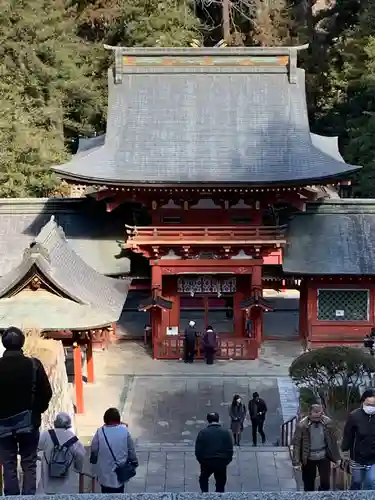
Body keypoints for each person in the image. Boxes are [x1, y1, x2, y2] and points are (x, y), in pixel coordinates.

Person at [0, 326, 52, 495]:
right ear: (22, 342)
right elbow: (46, 393)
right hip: (28, 422)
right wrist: (37, 411)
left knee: (8, 464)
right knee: (29, 463)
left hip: (2, 425)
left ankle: (11, 497)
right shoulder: (33, 364)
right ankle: (29, 496)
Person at [292, 404, 341, 491]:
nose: (317, 419)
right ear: (309, 414)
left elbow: (333, 442)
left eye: (319, 416)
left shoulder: (327, 422)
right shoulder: (302, 425)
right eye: (315, 417)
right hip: (308, 457)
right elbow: (297, 444)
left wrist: (337, 458)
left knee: (325, 483)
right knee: (308, 483)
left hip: (324, 456)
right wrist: (296, 462)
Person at [90, 407, 138, 493]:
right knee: (119, 493)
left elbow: (94, 449)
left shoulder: (100, 432)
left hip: (104, 473)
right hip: (119, 472)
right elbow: (131, 449)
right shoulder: (124, 431)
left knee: (105, 492)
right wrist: (134, 462)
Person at [38, 412, 85, 494]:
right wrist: (78, 468)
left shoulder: (46, 435)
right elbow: (80, 455)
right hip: (66, 484)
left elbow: (35, 449)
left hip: (48, 483)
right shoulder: (72, 438)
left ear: (55, 423)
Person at [342, 388, 375, 490]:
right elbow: (348, 437)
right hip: (357, 457)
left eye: (374, 405)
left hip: (373, 458)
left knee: (371, 481)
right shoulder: (354, 416)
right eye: (369, 404)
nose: (371, 407)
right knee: (356, 482)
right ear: (363, 401)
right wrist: (345, 455)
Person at [195, 412, 233, 493]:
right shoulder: (225, 432)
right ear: (218, 420)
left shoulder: (203, 432)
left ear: (208, 421)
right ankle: (219, 495)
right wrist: (226, 461)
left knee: (203, 479)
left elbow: (198, 450)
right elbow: (230, 448)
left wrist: (202, 461)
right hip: (221, 461)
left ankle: (205, 494)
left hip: (207, 461)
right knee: (221, 482)